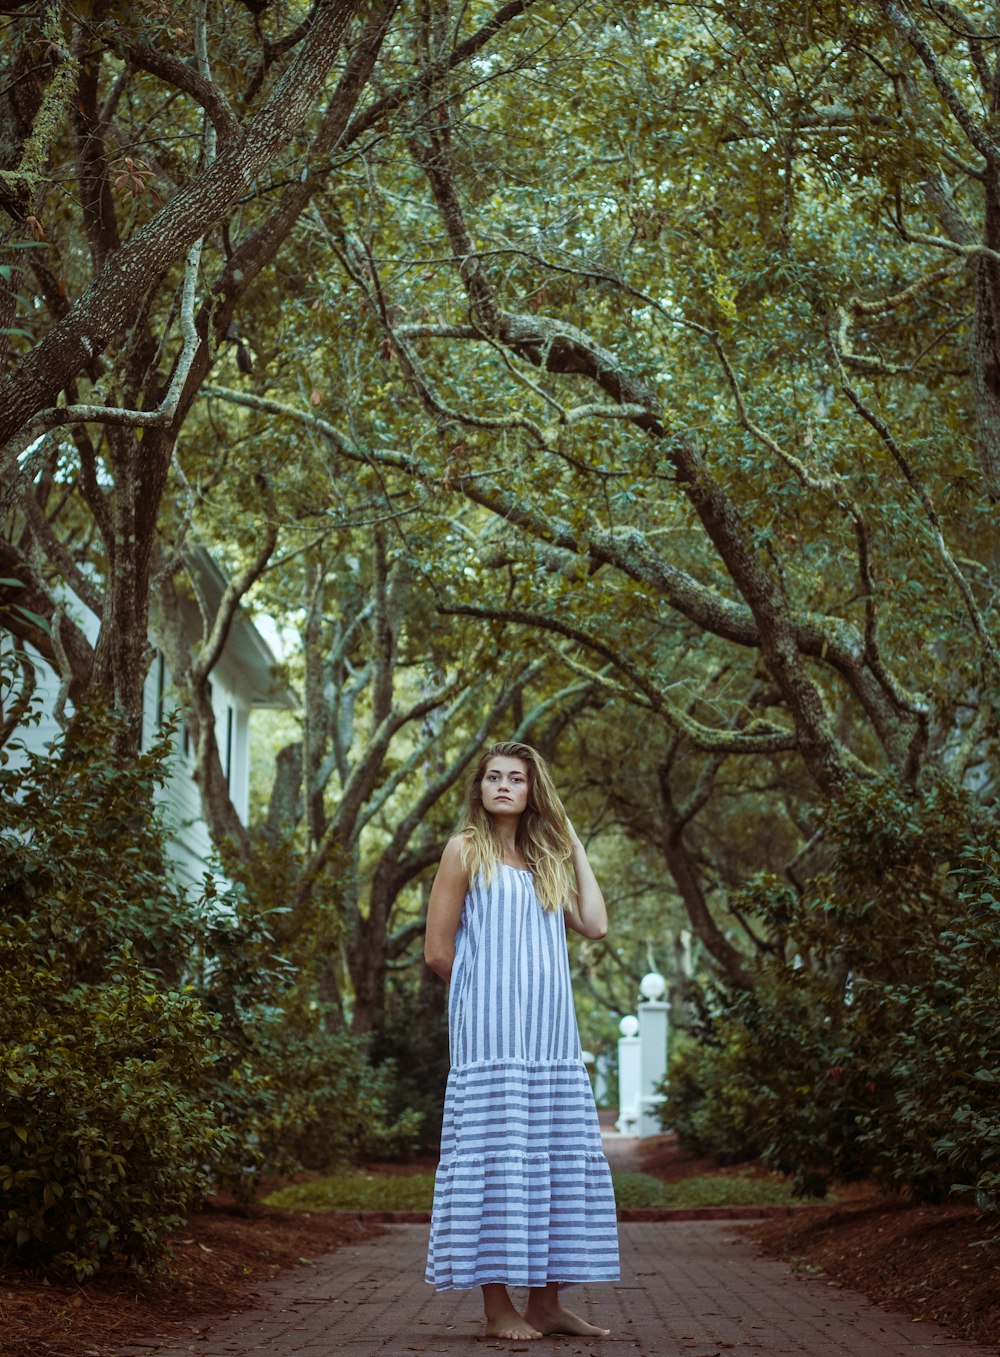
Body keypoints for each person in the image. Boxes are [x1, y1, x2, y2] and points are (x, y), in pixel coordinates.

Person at [423, 740, 619, 1341]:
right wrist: (485, 998)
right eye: (493, 777)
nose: (504, 785)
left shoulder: (547, 861)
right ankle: (496, 1309)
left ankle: (546, 1304)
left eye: (516, 778)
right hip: (492, 1040)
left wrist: (573, 843)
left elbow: (595, 923)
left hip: (551, 1037)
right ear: (479, 789)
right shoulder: (466, 850)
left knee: (553, 1156)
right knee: (496, 1159)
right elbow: (437, 951)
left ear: (534, 792)